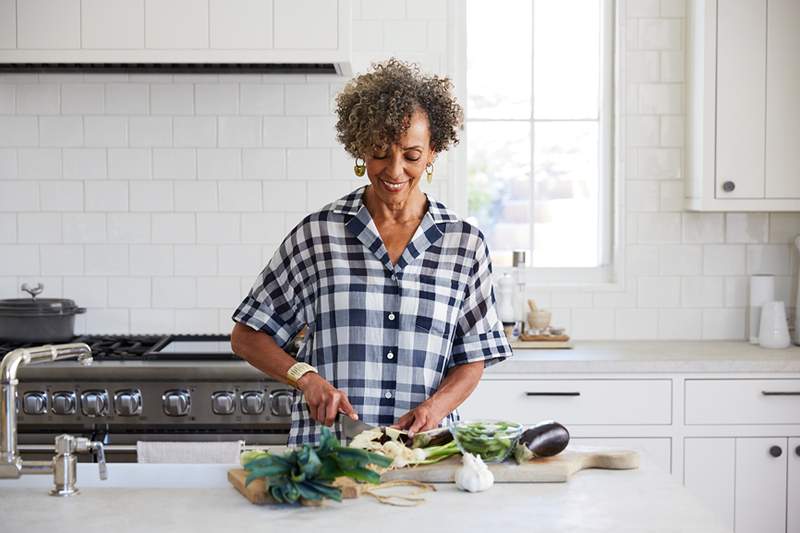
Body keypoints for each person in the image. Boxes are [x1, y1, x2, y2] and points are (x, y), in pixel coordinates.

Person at [231, 58, 512, 446]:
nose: (395, 170)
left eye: (411, 155)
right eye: (381, 152)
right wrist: (306, 378)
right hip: (328, 453)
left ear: (433, 152)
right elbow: (247, 335)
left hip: (423, 452)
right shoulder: (318, 235)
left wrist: (435, 408)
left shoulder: (464, 244)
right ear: (361, 149)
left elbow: (473, 357)